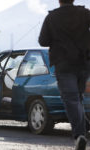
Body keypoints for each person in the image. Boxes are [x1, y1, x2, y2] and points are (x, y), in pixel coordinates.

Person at [38, 0, 90, 150]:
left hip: (64, 64)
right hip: (84, 63)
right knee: (78, 97)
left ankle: (79, 134)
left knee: (71, 99)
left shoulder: (52, 17)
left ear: (59, 1)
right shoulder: (85, 13)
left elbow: (43, 41)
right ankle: (82, 131)